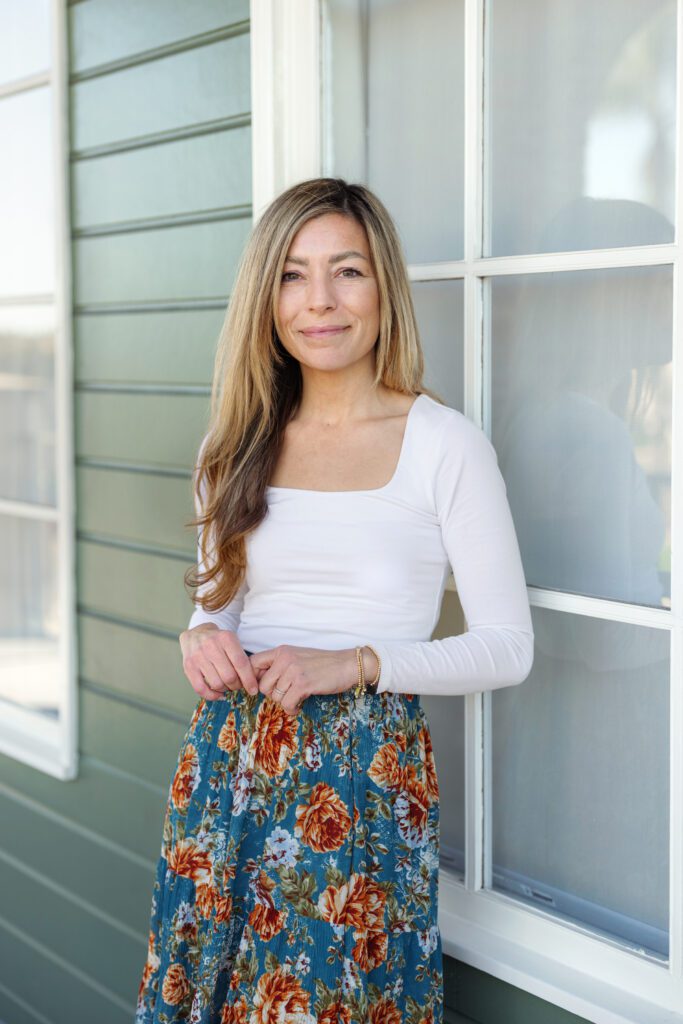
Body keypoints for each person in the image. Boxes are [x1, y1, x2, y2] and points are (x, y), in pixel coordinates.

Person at [134, 177, 534, 1024]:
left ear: (382, 286)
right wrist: (201, 638)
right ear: (264, 296)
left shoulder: (443, 446)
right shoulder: (234, 440)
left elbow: (506, 645)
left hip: (361, 780)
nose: (318, 301)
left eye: (345, 271)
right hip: (228, 768)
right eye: (291, 274)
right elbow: (221, 607)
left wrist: (354, 662)